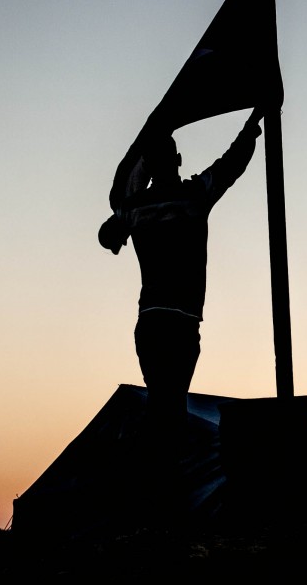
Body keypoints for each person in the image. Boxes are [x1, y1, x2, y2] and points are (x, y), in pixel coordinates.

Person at [99, 107, 263, 456]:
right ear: (177, 159)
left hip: (153, 321)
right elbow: (232, 164)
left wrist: (129, 203)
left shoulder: (135, 207)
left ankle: (150, 477)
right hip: (180, 324)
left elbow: (106, 236)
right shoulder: (195, 196)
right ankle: (155, 483)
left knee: (165, 407)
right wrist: (252, 126)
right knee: (169, 410)